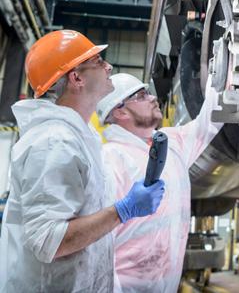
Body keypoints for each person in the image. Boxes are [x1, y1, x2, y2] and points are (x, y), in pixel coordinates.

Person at [0, 30, 166, 293]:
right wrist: (123, 210)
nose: (108, 66)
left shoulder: (79, 136)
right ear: (76, 78)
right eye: (98, 62)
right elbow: (49, 241)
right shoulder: (54, 142)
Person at [97, 72, 223, 293]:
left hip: (165, 286)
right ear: (120, 111)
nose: (153, 98)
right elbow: (97, 242)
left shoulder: (169, 144)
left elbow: (208, 122)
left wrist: (220, 74)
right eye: (141, 95)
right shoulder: (110, 159)